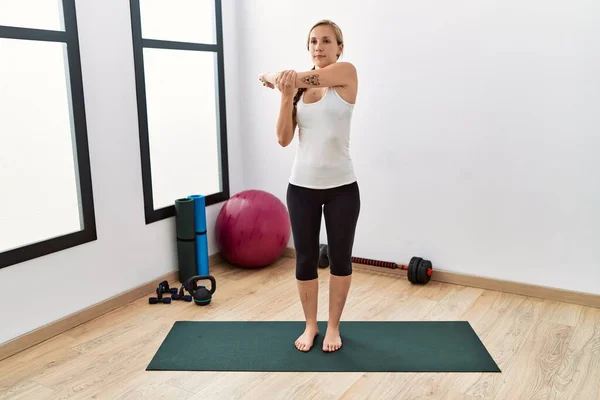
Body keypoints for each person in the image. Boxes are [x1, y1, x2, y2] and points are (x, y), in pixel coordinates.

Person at [259, 19, 361, 353]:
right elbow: (283, 138)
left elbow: (296, 76)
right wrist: (285, 94)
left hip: (342, 187)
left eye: (327, 41)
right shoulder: (298, 88)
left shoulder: (346, 74)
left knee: (340, 259)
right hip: (301, 186)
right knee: (305, 259)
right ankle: (311, 326)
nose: (319, 47)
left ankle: (333, 327)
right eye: (314, 41)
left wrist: (275, 77)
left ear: (339, 47)